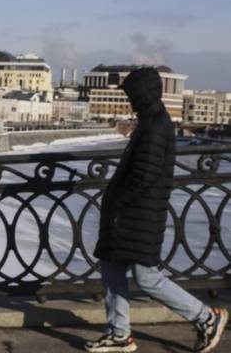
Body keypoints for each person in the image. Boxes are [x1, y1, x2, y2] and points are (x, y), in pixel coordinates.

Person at [84, 68, 228, 353]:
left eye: (132, 96)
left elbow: (144, 174)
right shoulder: (152, 121)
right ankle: (119, 333)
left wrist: (118, 203)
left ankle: (206, 317)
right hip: (135, 213)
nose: (130, 102)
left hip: (137, 214)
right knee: (112, 266)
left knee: (146, 276)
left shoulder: (154, 125)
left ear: (143, 94)